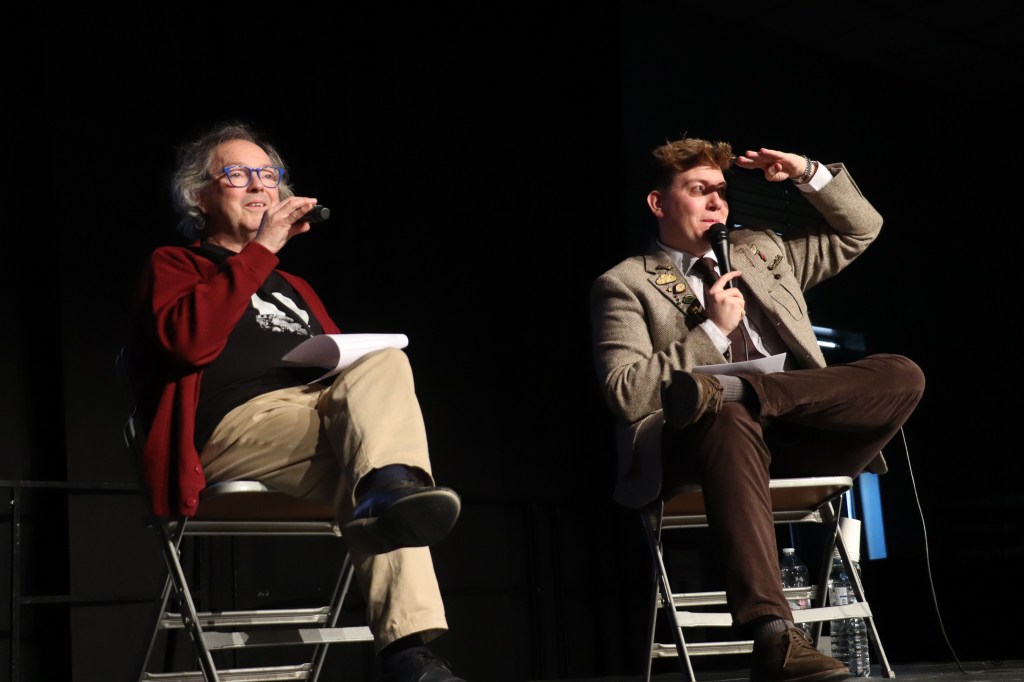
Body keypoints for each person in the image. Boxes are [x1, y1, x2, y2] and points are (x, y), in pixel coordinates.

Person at [127, 120, 467, 682]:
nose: (258, 185)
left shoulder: (295, 288)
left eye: (268, 175)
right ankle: (405, 639)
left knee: (383, 370)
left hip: (314, 416)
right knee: (375, 467)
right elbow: (187, 343)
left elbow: (345, 369)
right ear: (200, 196)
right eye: (237, 174)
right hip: (233, 429)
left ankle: (405, 634)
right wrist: (261, 250)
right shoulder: (177, 265)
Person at [589, 135, 925, 682]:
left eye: (722, 191)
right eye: (699, 190)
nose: (717, 202)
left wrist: (807, 172)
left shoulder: (762, 251)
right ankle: (775, 637)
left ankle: (752, 393)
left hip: (800, 435)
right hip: (707, 449)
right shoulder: (626, 284)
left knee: (903, 373)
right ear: (659, 203)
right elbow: (625, 392)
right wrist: (711, 333)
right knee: (725, 415)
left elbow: (861, 229)